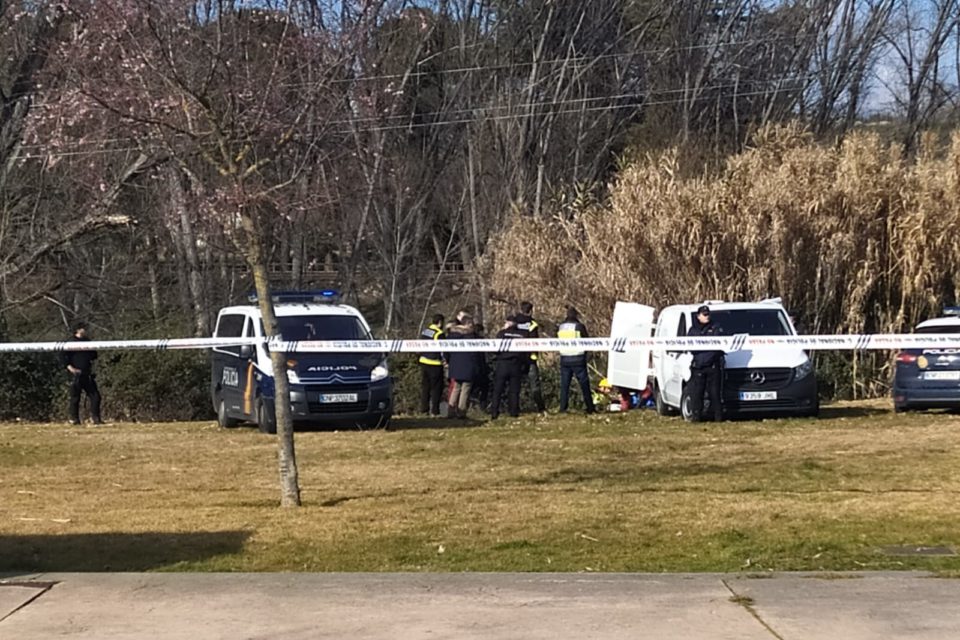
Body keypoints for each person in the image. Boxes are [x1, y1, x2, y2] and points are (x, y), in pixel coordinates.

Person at [686, 305, 724, 422]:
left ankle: (718, 418)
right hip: (698, 366)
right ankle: (696, 417)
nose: (707, 316)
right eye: (704, 314)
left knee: (715, 394)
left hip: (712, 366)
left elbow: (718, 347)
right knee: (697, 394)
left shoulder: (716, 328)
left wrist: (708, 357)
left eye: (708, 314)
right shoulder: (693, 330)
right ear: (698, 316)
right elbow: (690, 347)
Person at [60, 322, 102, 425]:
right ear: (78, 330)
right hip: (75, 374)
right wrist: (71, 369)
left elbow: (94, 355)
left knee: (95, 396)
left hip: (87, 373)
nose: (86, 330)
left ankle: (95, 418)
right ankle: (74, 419)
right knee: (75, 397)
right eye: (84, 328)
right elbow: (63, 357)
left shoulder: (88, 342)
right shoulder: (70, 342)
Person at [557, 306, 595, 414]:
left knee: (565, 385)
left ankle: (563, 408)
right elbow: (586, 341)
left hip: (564, 358)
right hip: (578, 358)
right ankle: (590, 408)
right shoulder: (579, 326)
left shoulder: (561, 327)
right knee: (584, 385)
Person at [514, 301, 546, 413]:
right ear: (531, 311)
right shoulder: (532, 323)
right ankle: (541, 408)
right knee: (534, 385)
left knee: (515, 384)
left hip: (516, 357)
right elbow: (534, 340)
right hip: (530, 358)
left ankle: (514, 408)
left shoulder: (515, 321)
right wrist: (535, 356)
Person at [490, 315, 524, 419]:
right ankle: (514, 412)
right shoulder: (522, 334)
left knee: (498, 389)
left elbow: (495, 349)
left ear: (508, 323)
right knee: (514, 390)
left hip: (503, 363)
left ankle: (494, 412)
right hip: (516, 364)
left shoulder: (501, 333)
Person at [445, 314, 479, 418]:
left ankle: (450, 411)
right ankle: (461, 412)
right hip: (468, 364)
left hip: (455, 364)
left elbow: (446, 351)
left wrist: (449, 361)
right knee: (465, 389)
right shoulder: (471, 336)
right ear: (468, 324)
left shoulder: (451, 335)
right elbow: (475, 353)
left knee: (456, 388)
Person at [418, 313, 446, 416]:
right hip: (435, 363)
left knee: (425, 387)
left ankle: (424, 410)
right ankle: (435, 411)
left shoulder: (425, 331)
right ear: (440, 322)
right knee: (436, 389)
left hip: (424, 362)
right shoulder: (439, 334)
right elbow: (444, 350)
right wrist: (445, 361)